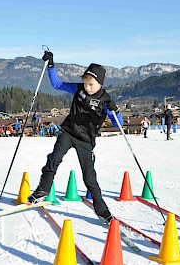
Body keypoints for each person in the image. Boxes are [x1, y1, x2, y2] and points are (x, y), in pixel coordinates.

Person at [28, 51, 123, 223]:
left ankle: (102, 210)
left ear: (100, 84)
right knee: (53, 159)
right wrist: (51, 65)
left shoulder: (105, 100)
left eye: (91, 84)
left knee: (89, 177)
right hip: (68, 131)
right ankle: (42, 190)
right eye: (86, 83)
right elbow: (57, 85)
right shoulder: (78, 89)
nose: (87, 87)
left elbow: (119, 125)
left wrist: (115, 110)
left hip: (86, 140)